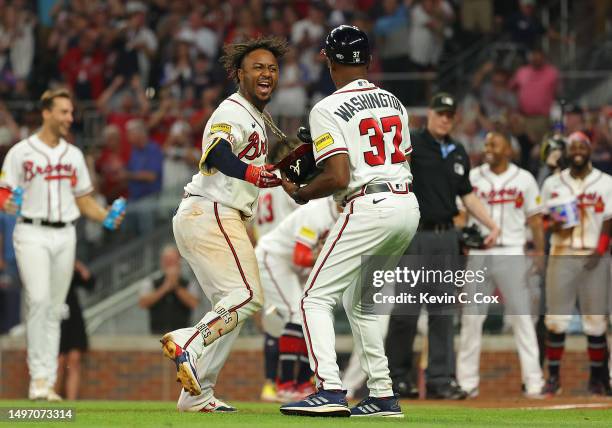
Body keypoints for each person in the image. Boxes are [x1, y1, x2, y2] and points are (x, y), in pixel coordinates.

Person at [279, 25, 420, 418]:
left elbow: (338, 176)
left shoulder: (326, 108)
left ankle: (330, 389)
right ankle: (383, 394)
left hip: (368, 204)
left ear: (329, 60)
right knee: (360, 305)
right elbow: (402, 157)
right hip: (406, 204)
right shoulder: (394, 100)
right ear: (368, 60)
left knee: (313, 299)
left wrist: (301, 190)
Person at [159, 37, 287, 413]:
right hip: (212, 209)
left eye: (272, 68)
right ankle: (188, 341)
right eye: (258, 67)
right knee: (248, 297)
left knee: (231, 306)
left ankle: (198, 395)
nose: (266, 73)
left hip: (210, 213)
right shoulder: (233, 110)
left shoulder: (257, 117)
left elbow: (257, 172)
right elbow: (216, 153)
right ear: (239, 74)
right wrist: (254, 173)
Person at [0, 88, 124, 401]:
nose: (70, 117)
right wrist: (8, 203)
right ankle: (38, 379)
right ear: (46, 112)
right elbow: (4, 192)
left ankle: (47, 382)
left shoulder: (73, 155)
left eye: (71, 112)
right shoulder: (21, 152)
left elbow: (84, 200)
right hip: (31, 231)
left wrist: (105, 216)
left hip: (65, 232)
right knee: (39, 300)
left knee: (57, 308)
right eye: (64, 112)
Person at [385, 93, 499, 400]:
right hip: (415, 235)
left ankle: (440, 379)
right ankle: (395, 378)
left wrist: (491, 224)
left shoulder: (458, 150)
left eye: (450, 115)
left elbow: (467, 194)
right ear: (430, 114)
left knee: (443, 310)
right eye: (441, 113)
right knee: (405, 310)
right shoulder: (411, 145)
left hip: (447, 237)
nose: (445, 119)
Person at [455, 131, 546, 398]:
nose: (489, 147)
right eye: (486, 143)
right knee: (472, 319)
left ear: (509, 149)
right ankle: (466, 383)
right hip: (479, 254)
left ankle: (534, 382)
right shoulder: (472, 177)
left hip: (512, 253)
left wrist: (540, 252)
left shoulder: (524, 179)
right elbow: (460, 214)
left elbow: (536, 220)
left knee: (523, 319)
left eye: (495, 142)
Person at [540, 131, 612, 396]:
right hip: (562, 253)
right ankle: (554, 378)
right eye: (574, 147)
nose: (578, 151)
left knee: (595, 322)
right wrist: (555, 223)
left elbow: (609, 218)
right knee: (556, 320)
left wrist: (601, 249)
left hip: (595, 256)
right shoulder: (552, 183)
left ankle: (597, 379)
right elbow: (544, 221)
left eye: (583, 146)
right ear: (568, 152)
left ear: (589, 150)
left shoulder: (605, 182)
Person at [256, 197, 341, 402]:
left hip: (294, 267)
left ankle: (303, 383)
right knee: (296, 312)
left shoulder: (348, 215)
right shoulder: (318, 212)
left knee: (310, 316)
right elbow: (300, 256)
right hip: (273, 258)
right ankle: (285, 385)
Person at [138, 245, 200, 335]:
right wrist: (164, 288)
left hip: (183, 336)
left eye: (173, 261)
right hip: (157, 335)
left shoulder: (189, 283)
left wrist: (176, 287)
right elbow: (143, 303)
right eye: (167, 261)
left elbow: (194, 303)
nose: (170, 264)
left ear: (179, 262)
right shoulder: (150, 282)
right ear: (162, 262)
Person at [56, 260, 95, 400]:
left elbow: (90, 282)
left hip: (73, 317)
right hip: (54, 317)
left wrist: (78, 265)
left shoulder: (71, 268)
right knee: (58, 361)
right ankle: (53, 400)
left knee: (74, 359)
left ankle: (71, 403)